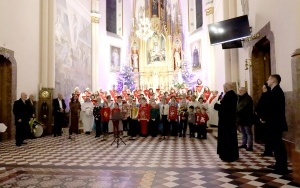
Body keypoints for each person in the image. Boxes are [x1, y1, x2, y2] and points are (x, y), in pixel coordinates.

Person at [263, 74, 288, 174]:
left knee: (278, 145)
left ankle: (282, 167)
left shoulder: (276, 92)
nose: (267, 81)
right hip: (274, 122)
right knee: (276, 144)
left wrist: (265, 118)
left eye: (269, 79)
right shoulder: (274, 91)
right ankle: (279, 164)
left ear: (273, 81)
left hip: (275, 123)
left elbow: (272, 109)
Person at [214, 82, 239, 162]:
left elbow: (225, 109)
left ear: (226, 87)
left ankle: (227, 155)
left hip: (226, 122)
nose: (223, 89)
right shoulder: (233, 95)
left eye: (224, 87)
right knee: (231, 137)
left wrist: (216, 105)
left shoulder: (229, 95)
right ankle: (232, 154)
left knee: (227, 137)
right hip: (229, 121)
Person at [255, 83, 273, 156]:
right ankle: (267, 151)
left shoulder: (269, 96)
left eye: (264, 88)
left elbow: (267, 108)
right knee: (265, 137)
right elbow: (259, 106)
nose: (263, 90)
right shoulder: (263, 95)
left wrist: (263, 117)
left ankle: (269, 151)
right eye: (262, 88)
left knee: (269, 137)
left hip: (267, 119)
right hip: (261, 118)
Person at [237, 87, 254, 151]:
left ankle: (250, 146)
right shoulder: (240, 98)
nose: (240, 91)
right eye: (239, 90)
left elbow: (244, 108)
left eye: (241, 90)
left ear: (245, 91)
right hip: (241, 118)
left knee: (248, 132)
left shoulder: (248, 98)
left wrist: (236, 111)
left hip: (247, 118)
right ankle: (244, 144)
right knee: (243, 132)